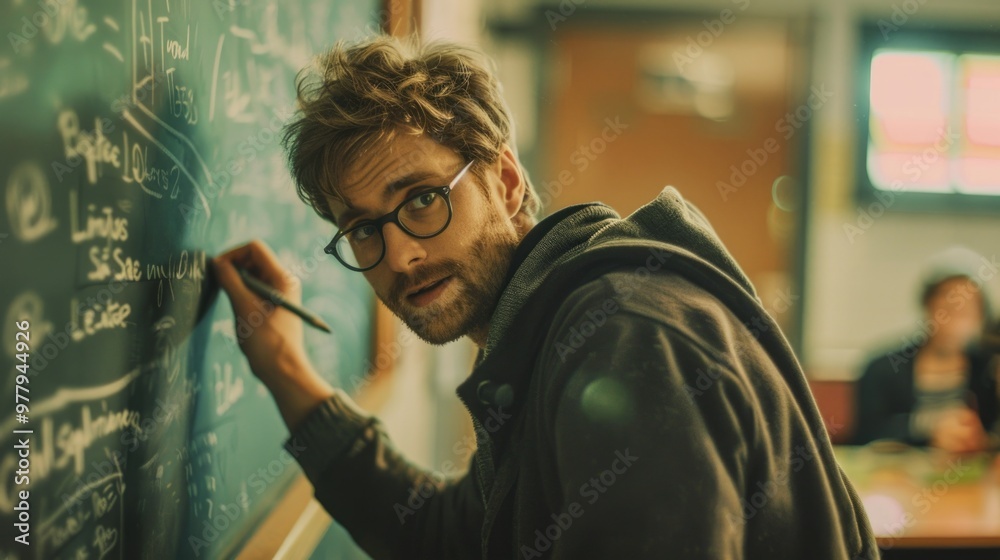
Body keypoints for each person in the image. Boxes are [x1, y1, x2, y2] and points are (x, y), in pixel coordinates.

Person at [213, 35, 877, 559]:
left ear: (503, 181)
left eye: (421, 200)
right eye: (362, 230)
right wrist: (285, 369)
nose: (399, 256)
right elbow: (456, 541)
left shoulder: (621, 338)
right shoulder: (538, 337)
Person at [854, 247, 1000, 453]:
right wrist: (929, 430)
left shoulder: (987, 369)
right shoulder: (883, 368)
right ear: (927, 306)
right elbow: (866, 433)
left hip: (969, 476)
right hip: (900, 478)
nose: (957, 319)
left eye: (968, 310)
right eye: (948, 307)